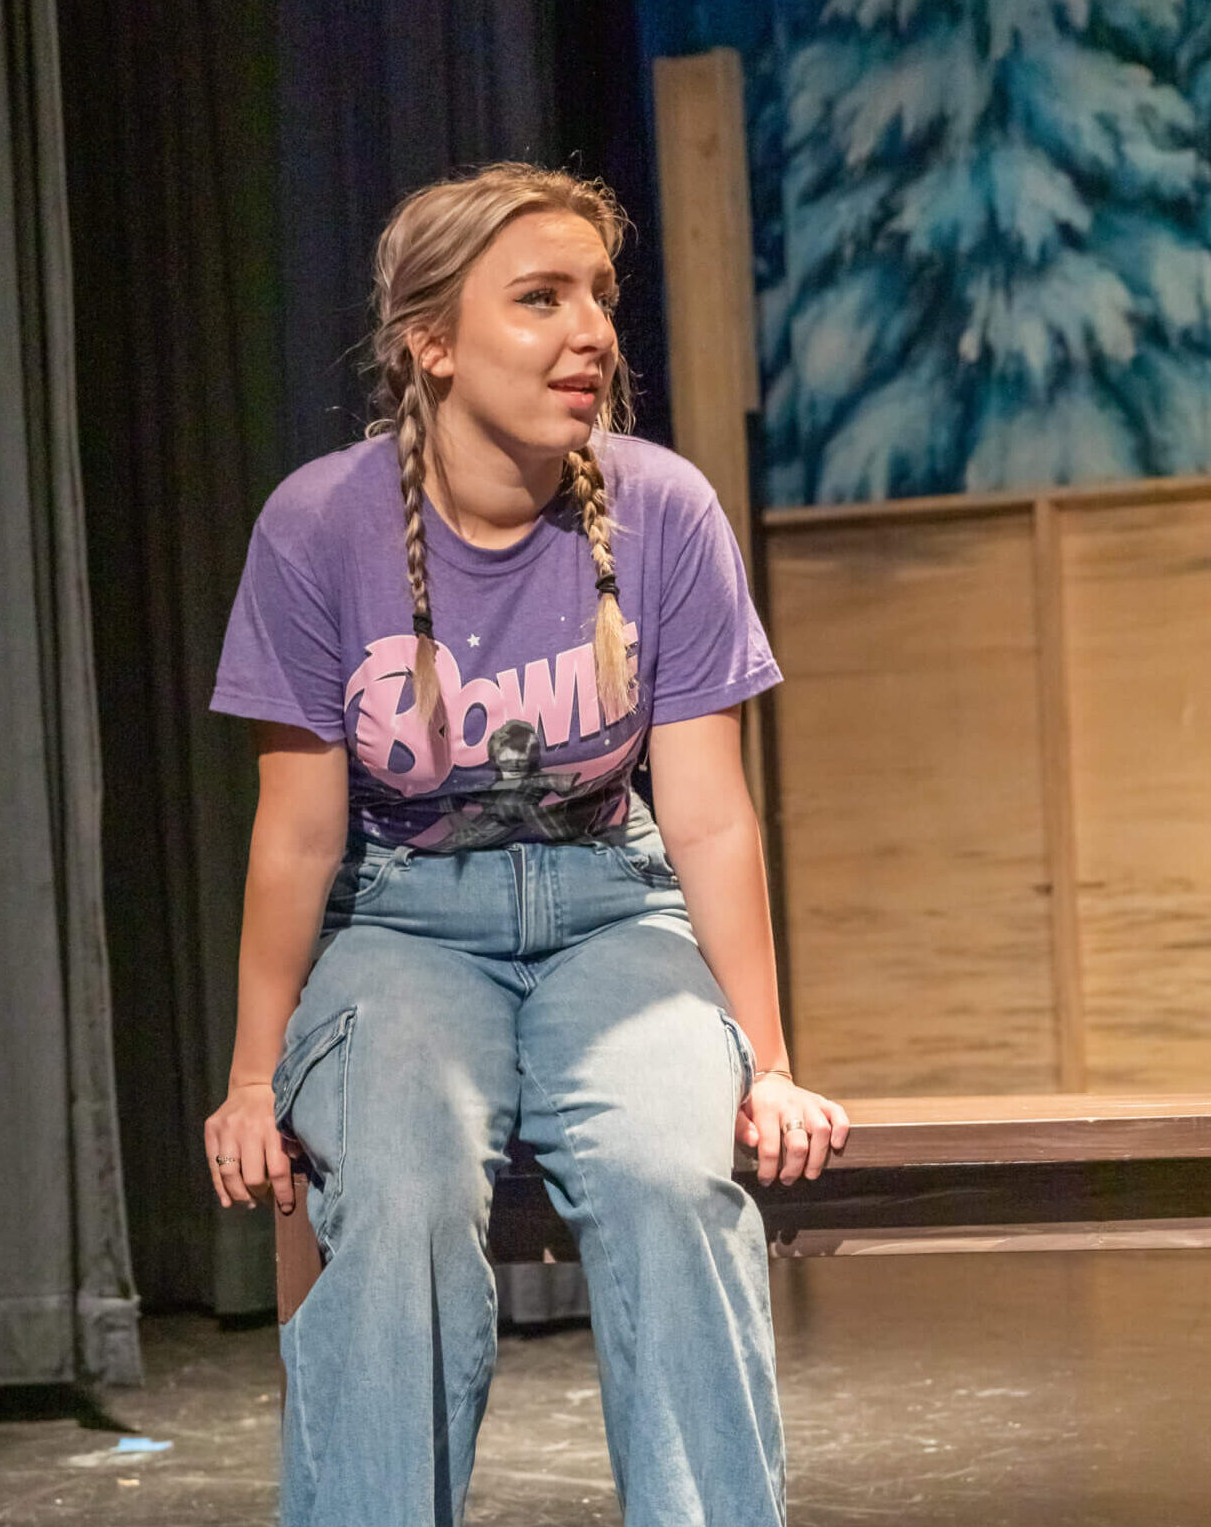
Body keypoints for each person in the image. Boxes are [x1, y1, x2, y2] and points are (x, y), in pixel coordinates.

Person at [204, 161, 851, 1527]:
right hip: (405, 923)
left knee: (673, 1180)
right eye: (541, 298)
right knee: (400, 1198)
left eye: (600, 296)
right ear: (431, 343)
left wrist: (772, 1063)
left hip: (614, 911)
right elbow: (298, 835)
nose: (592, 332)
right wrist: (254, 1076)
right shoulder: (318, 527)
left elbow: (709, 815)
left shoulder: (664, 508)